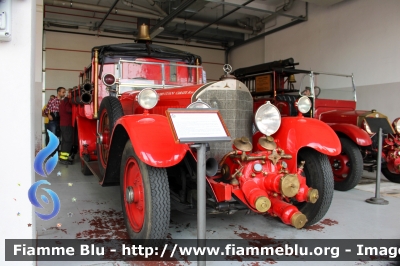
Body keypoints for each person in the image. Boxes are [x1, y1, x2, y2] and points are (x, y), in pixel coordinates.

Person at [59, 90, 73, 164]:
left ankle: (62, 158)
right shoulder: (66, 101)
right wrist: (75, 108)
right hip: (67, 124)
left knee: (65, 141)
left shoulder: (62, 101)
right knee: (68, 141)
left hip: (63, 124)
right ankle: (64, 159)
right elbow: (68, 110)